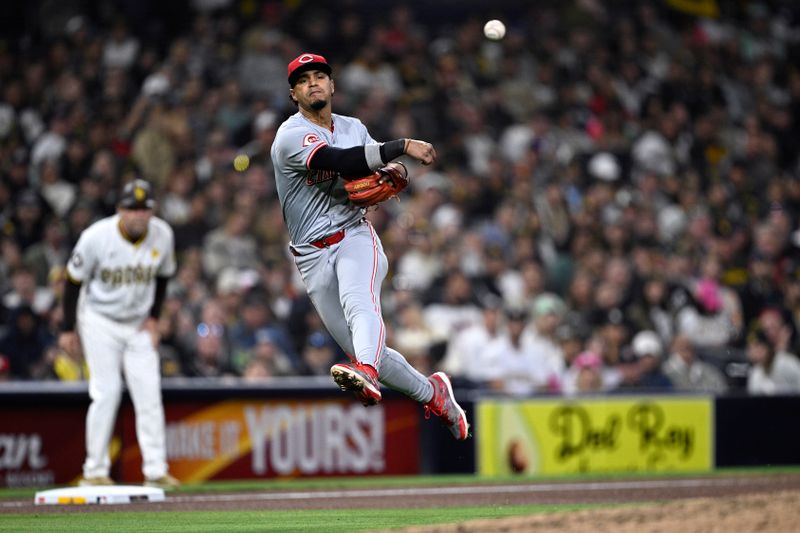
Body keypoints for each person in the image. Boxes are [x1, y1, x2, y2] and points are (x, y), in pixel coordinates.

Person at [269, 53, 468, 440]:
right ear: (294, 92)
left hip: (355, 236)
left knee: (360, 304)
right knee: (367, 348)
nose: (313, 83)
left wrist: (389, 170)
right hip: (311, 255)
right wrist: (403, 145)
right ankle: (433, 394)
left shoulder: (353, 127)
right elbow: (341, 159)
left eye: (320, 76)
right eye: (304, 79)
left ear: (332, 86)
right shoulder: (289, 136)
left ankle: (367, 373)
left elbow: (371, 164)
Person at [58, 179, 180, 488]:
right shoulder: (96, 237)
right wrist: (66, 328)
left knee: (150, 393)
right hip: (100, 320)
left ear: (151, 211)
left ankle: (155, 471)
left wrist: (154, 318)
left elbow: (164, 278)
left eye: (144, 209)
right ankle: (95, 470)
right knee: (107, 391)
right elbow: (72, 282)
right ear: (119, 210)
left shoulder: (162, 235)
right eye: (132, 209)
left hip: (138, 323)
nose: (138, 215)